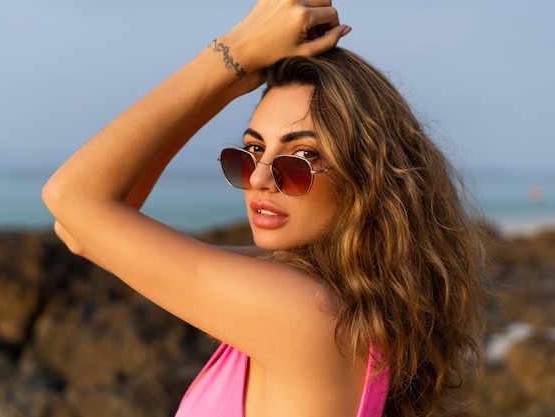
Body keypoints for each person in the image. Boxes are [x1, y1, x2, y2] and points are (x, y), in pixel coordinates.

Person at [42, 1, 485, 416]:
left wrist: (235, 54)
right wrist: (235, 78)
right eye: (252, 150)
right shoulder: (332, 294)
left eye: (302, 159)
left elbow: (74, 197)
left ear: (366, 178)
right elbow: (83, 232)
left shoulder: (303, 312)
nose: (257, 178)